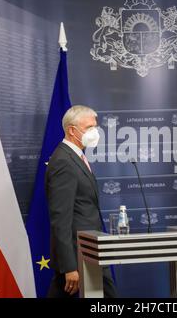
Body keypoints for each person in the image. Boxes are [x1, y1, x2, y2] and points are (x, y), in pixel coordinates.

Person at [45, 105, 117, 298]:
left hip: (91, 249)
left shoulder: (76, 156)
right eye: (89, 128)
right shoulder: (63, 161)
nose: (94, 132)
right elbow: (61, 218)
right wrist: (69, 267)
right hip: (80, 253)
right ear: (72, 130)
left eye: (95, 126)